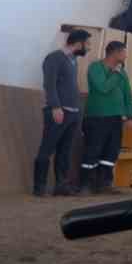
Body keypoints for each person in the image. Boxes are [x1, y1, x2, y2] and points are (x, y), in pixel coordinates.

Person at [34, 28, 90, 197]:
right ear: (78, 43)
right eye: (87, 44)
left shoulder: (73, 60)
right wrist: (56, 107)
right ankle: (39, 187)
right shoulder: (54, 58)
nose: (89, 48)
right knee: (47, 149)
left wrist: (78, 110)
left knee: (65, 151)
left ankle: (61, 185)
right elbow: (49, 85)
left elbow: (71, 87)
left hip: (73, 113)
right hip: (58, 112)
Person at [81, 40, 132, 195]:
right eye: (124, 52)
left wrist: (130, 116)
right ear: (115, 53)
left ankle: (105, 184)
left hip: (116, 118)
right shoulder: (95, 68)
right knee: (93, 150)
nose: (126, 55)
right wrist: (116, 73)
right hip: (97, 117)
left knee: (111, 151)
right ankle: (85, 185)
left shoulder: (122, 72)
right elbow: (103, 87)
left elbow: (128, 95)